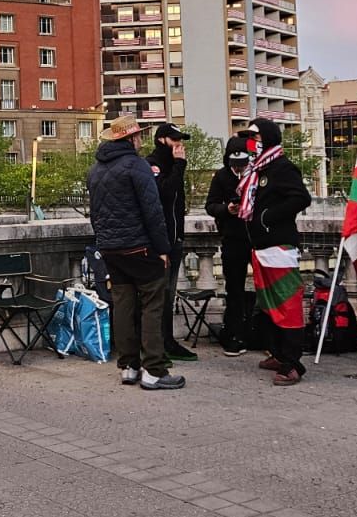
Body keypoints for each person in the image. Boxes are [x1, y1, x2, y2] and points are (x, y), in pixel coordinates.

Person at [86, 116, 183, 391]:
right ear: (131, 139)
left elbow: (95, 214)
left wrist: (104, 242)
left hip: (110, 248)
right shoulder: (136, 166)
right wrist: (162, 249)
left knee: (123, 305)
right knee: (152, 304)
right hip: (139, 246)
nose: (141, 140)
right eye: (138, 136)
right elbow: (153, 211)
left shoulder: (95, 170)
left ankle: (129, 367)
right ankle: (154, 369)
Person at [236, 117, 313, 386]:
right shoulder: (256, 170)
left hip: (278, 245)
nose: (251, 144)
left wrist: (267, 217)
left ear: (267, 139)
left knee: (287, 304)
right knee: (268, 304)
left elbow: (301, 198)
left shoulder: (281, 167)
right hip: (260, 246)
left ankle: (292, 364)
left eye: (254, 138)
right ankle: (279, 354)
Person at [148, 123, 198, 362]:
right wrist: (179, 165)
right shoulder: (153, 165)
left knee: (169, 293)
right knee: (160, 295)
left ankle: (167, 341)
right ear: (161, 140)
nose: (180, 145)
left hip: (175, 237)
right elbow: (164, 194)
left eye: (181, 140)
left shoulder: (173, 165)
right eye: (175, 139)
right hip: (161, 241)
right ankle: (159, 344)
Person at [205, 134, 258, 355]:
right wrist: (226, 209)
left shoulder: (256, 175)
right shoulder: (221, 177)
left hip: (256, 238)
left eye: (242, 164)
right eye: (235, 165)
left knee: (265, 287)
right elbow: (210, 205)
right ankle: (234, 335)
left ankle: (261, 332)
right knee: (234, 289)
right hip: (232, 238)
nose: (239, 168)